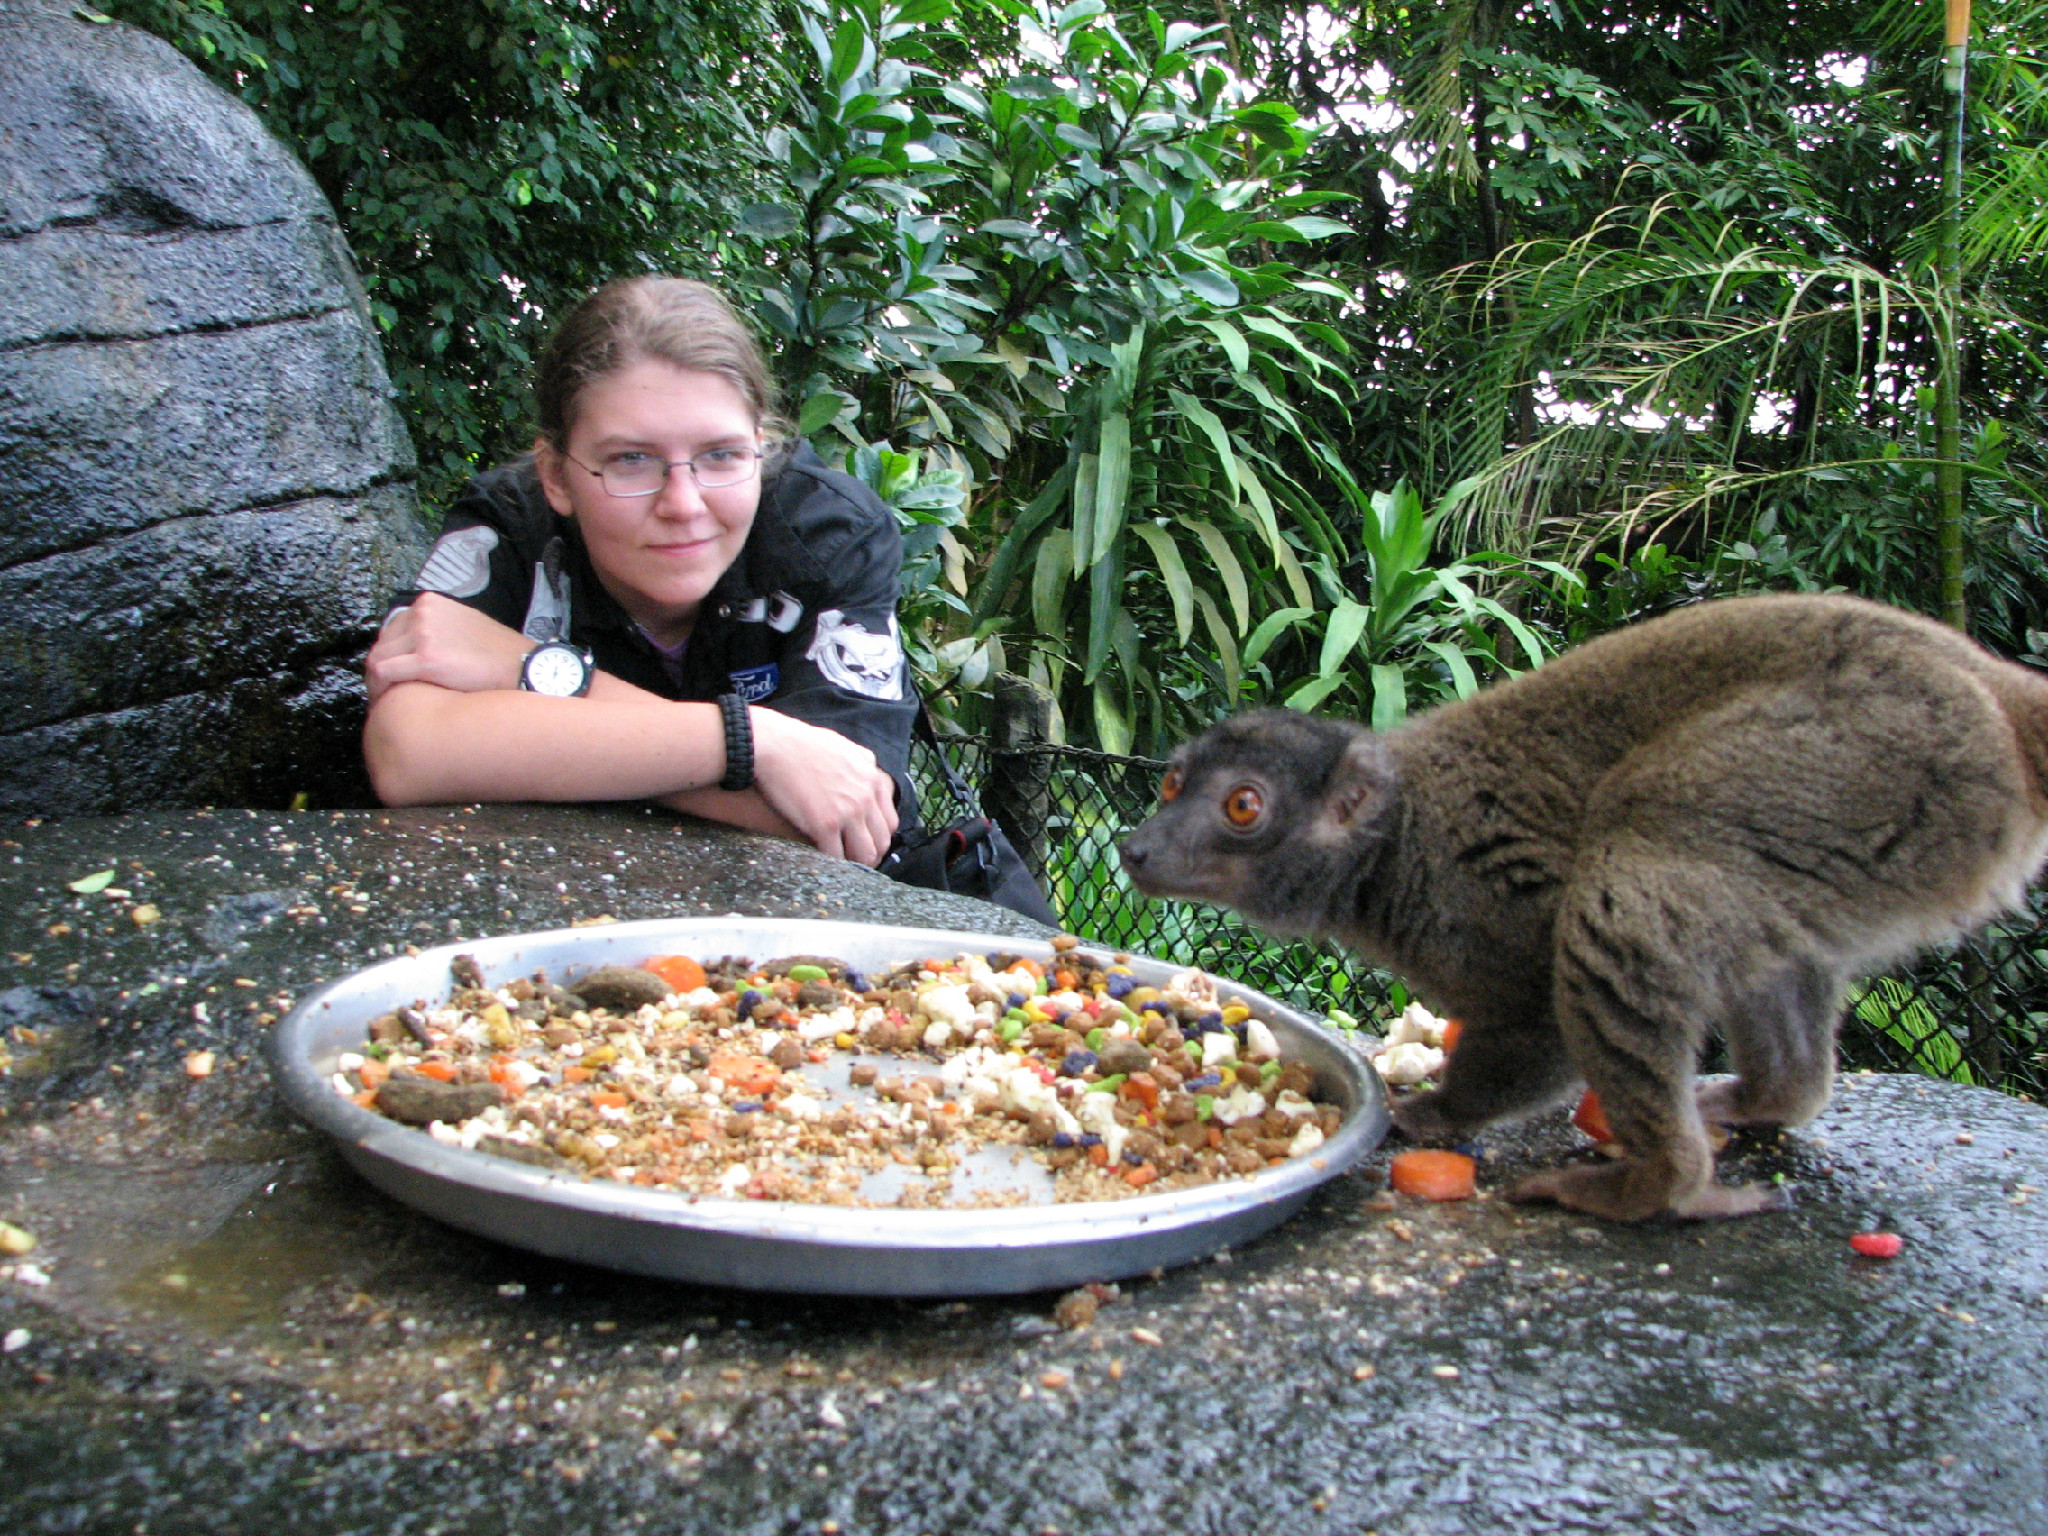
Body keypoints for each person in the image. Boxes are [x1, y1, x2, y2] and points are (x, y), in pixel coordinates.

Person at [363, 277, 914, 867]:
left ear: (759, 446)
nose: (683, 503)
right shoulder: (511, 525)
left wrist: (528, 671)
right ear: (555, 476)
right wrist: (758, 743)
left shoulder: (830, 530)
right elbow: (408, 752)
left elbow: (844, 816)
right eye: (630, 460)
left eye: (721, 455)